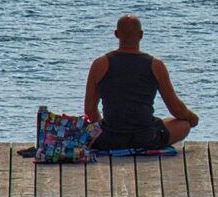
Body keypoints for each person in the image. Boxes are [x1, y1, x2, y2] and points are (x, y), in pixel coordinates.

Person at [84, 15, 199, 150]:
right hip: (146, 138)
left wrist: (103, 129)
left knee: (84, 130)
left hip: (109, 139)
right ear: (141, 35)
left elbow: (90, 111)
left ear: (116, 34)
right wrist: (193, 119)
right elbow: (175, 108)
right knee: (183, 124)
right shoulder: (155, 65)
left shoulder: (100, 64)